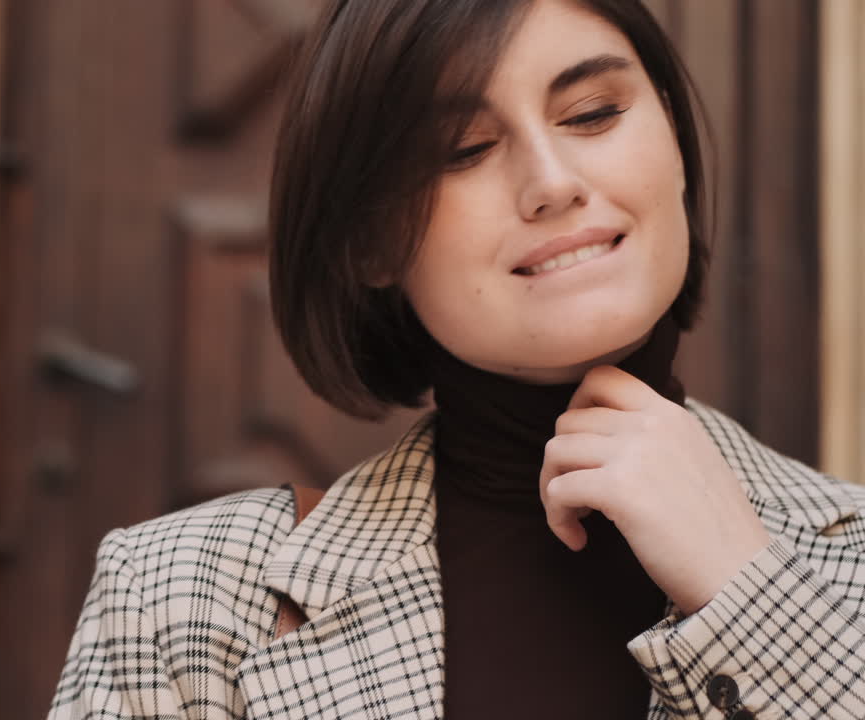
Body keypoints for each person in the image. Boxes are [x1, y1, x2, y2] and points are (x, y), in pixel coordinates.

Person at [49, 0, 865, 717]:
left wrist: (749, 597)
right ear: (372, 241)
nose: (552, 182)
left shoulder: (849, 559)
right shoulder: (176, 599)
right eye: (465, 148)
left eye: (590, 113)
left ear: (676, 148)